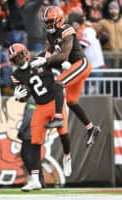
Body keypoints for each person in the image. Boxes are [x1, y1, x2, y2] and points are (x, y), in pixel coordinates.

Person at [30, 5, 101, 146]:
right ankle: (91, 128)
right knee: (71, 101)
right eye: (46, 22)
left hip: (81, 64)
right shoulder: (50, 35)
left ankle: (58, 117)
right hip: (73, 65)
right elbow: (47, 53)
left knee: (58, 83)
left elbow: (63, 55)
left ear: (59, 20)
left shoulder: (67, 30)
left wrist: (46, 60)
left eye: (50, 22)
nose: (48, 25)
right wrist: (33, 60)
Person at [9, 43, 71, 192]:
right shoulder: (16, 75)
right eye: (15, 58)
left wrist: (58, 62)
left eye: (20, 55)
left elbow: (62, 61)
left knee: (63, 133)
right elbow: (25, 97)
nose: (19, 59)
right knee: (35, 142)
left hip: (55, 102)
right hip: (40, 106)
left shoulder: (41, 58)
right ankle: (35, 180)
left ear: (26, 53)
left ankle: (67, 156)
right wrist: (20, 97)